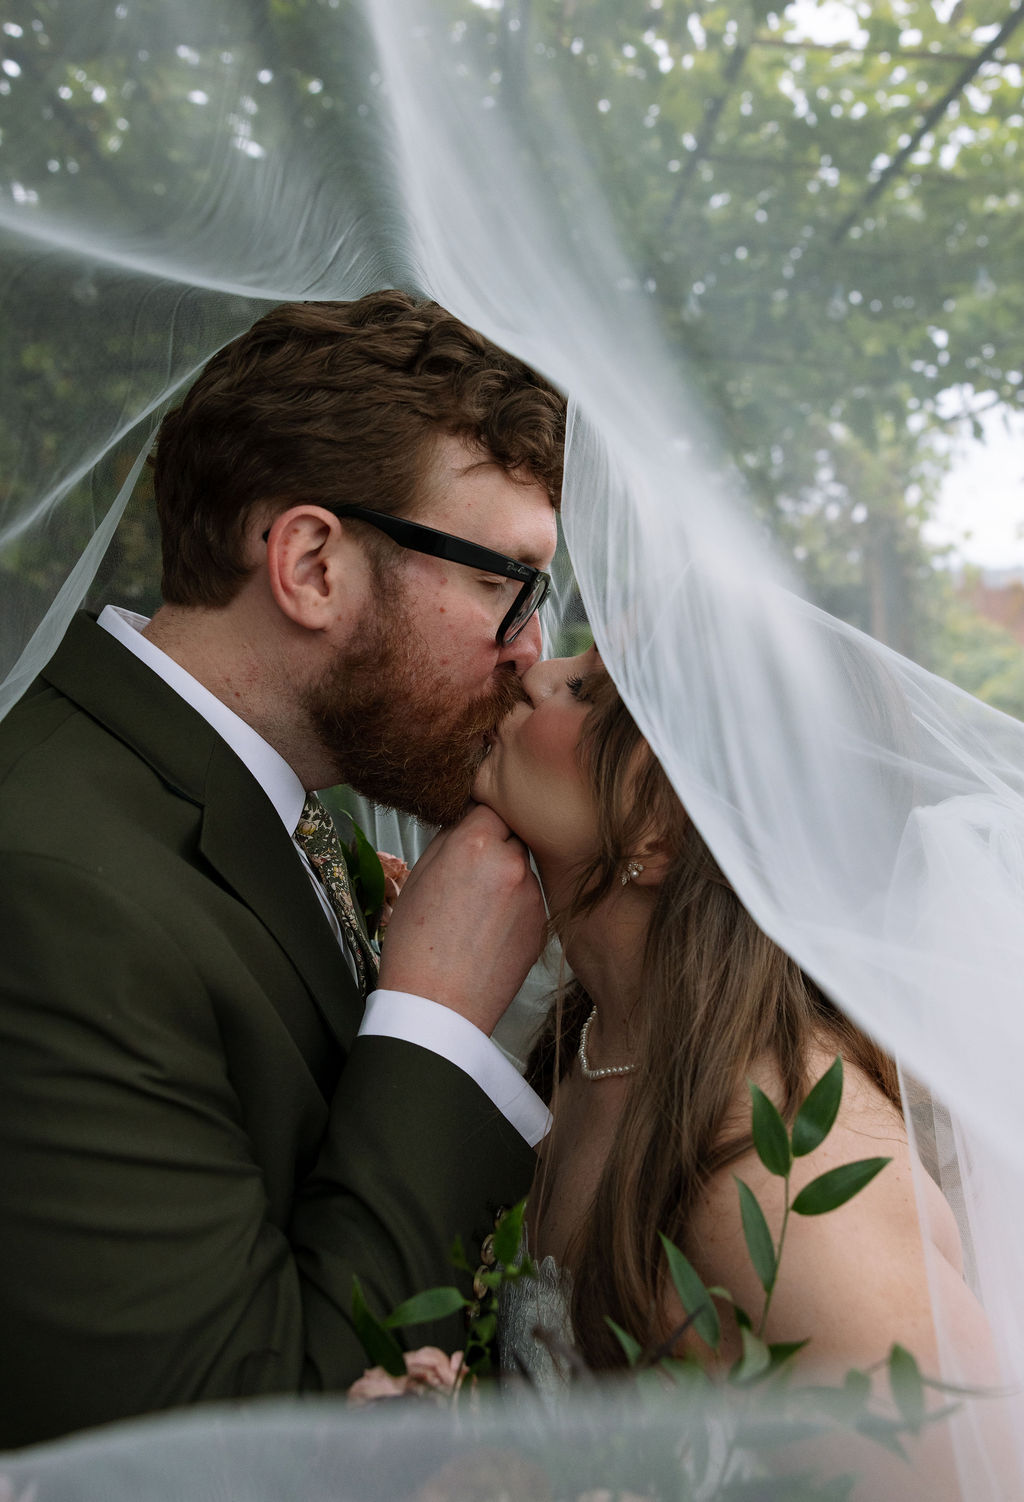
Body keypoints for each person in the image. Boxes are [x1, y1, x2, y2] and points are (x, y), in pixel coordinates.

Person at [0, 292, 567, 1448]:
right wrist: (436, 1023)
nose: (531, 653)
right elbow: (214, 1446)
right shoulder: (52, 887)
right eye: (507, 581)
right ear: (311, 563)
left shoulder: (260, 811)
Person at [473, 644, 1002, 1490]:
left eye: (586, 690)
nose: (532, 671)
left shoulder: (790, 1170)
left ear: (667, 832)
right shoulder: (587, 1040)